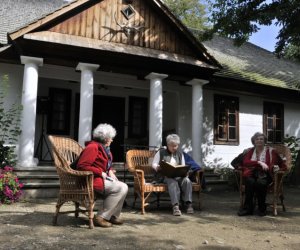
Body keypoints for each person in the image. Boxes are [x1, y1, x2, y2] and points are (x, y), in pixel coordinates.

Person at [77, 123, 128, 227]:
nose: (112, 140)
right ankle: (101, 217)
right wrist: (100, 172)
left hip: (101, 179)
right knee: (121, 188)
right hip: (92, 180)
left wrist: (109, 171)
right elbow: (82, 165)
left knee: (124, 187)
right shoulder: (93, 147)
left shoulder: (105, 149)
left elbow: (103, 165)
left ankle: (113, 216)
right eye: (110, 138)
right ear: (105, 138)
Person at [231, 132, 287, 216]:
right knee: (249, 182)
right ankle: (248, 209)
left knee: (260, 183)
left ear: (264, 141)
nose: (259, 141)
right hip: (251, 173)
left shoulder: (271, 151)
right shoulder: (250, 151)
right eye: (257, 139)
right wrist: (259, 162)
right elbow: (246, 162)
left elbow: (282, 164)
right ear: (254, 141)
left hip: (266, 174)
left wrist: (276, 168)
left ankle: (262, 208)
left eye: (261, 139)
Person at [152, 134, 194, 216]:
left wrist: (185, 172)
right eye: (172, 146)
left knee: (187, 181)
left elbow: (183, 165)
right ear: (168, 145)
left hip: (178, 176)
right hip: (165, 176)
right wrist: (157, 167)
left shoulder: (180, 154)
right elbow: (154, 164)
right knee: (172, 182)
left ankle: (188, 203)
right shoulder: (160, 152)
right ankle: (175, 206)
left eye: (176, 146)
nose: (174, 148)